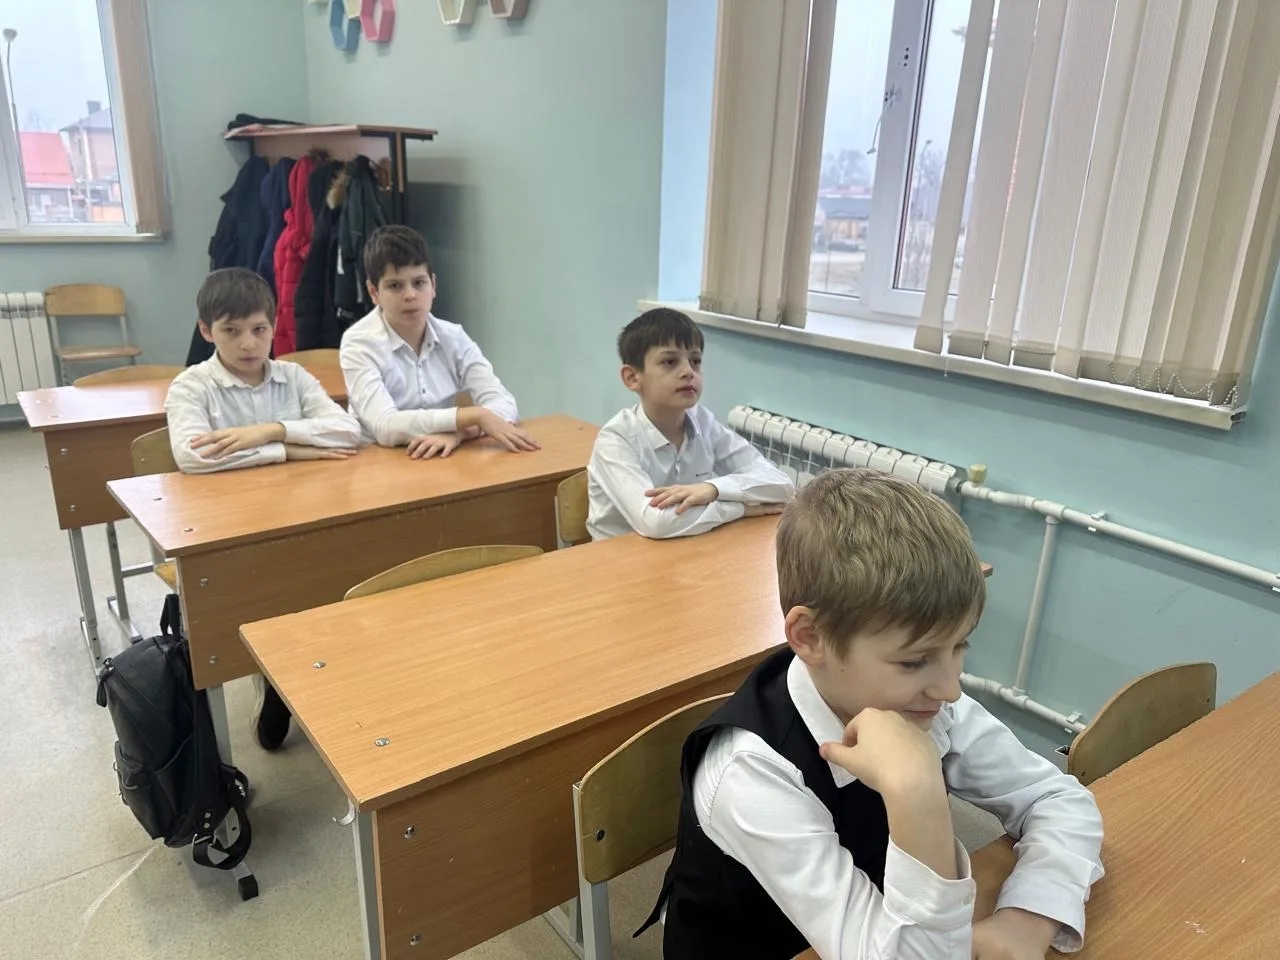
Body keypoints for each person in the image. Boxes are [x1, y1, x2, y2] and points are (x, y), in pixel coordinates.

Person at [644, 468, 1105, 959]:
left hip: (876, 926)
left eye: (959, 647)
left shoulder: (918, 702)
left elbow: (1058, 799)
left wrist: (1027, 919)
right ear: (811, 638)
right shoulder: (752, 771)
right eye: (914, 661)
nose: (950, 689)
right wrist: (918, 793)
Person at [165, 266, 362, 750]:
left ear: (274, 327)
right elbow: (193, 456)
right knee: (266, 592)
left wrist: (269, 431)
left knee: (338, 570)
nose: (248, 343)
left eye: (259, 329)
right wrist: (289, 449)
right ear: (206, 330)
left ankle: (302, 669)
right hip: (229, 531)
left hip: (300, 519)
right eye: (231, 331)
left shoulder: (292, 377)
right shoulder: (192, 387)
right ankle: (274, 674)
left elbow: (347, 432)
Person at [587, 307, 794, 540]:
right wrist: (741, 509)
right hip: (618, 558)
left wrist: (712, 489)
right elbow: (656, 522)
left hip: (687, 547)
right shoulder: (616, 439)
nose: (688, 371)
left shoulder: (703, 422)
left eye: (695, 361)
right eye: (669, 362)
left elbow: (782, 485)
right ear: (632, 377)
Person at [339, 224, 538, 459]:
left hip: (442, 457)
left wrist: (460, 433)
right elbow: (385, 426)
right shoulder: (359, 343)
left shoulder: (453, 336)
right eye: (395, 286)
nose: (410, 295)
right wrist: (472, 416)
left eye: (419, 283)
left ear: (433, 285)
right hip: (378, 462)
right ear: (374, 293)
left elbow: (504, 403)